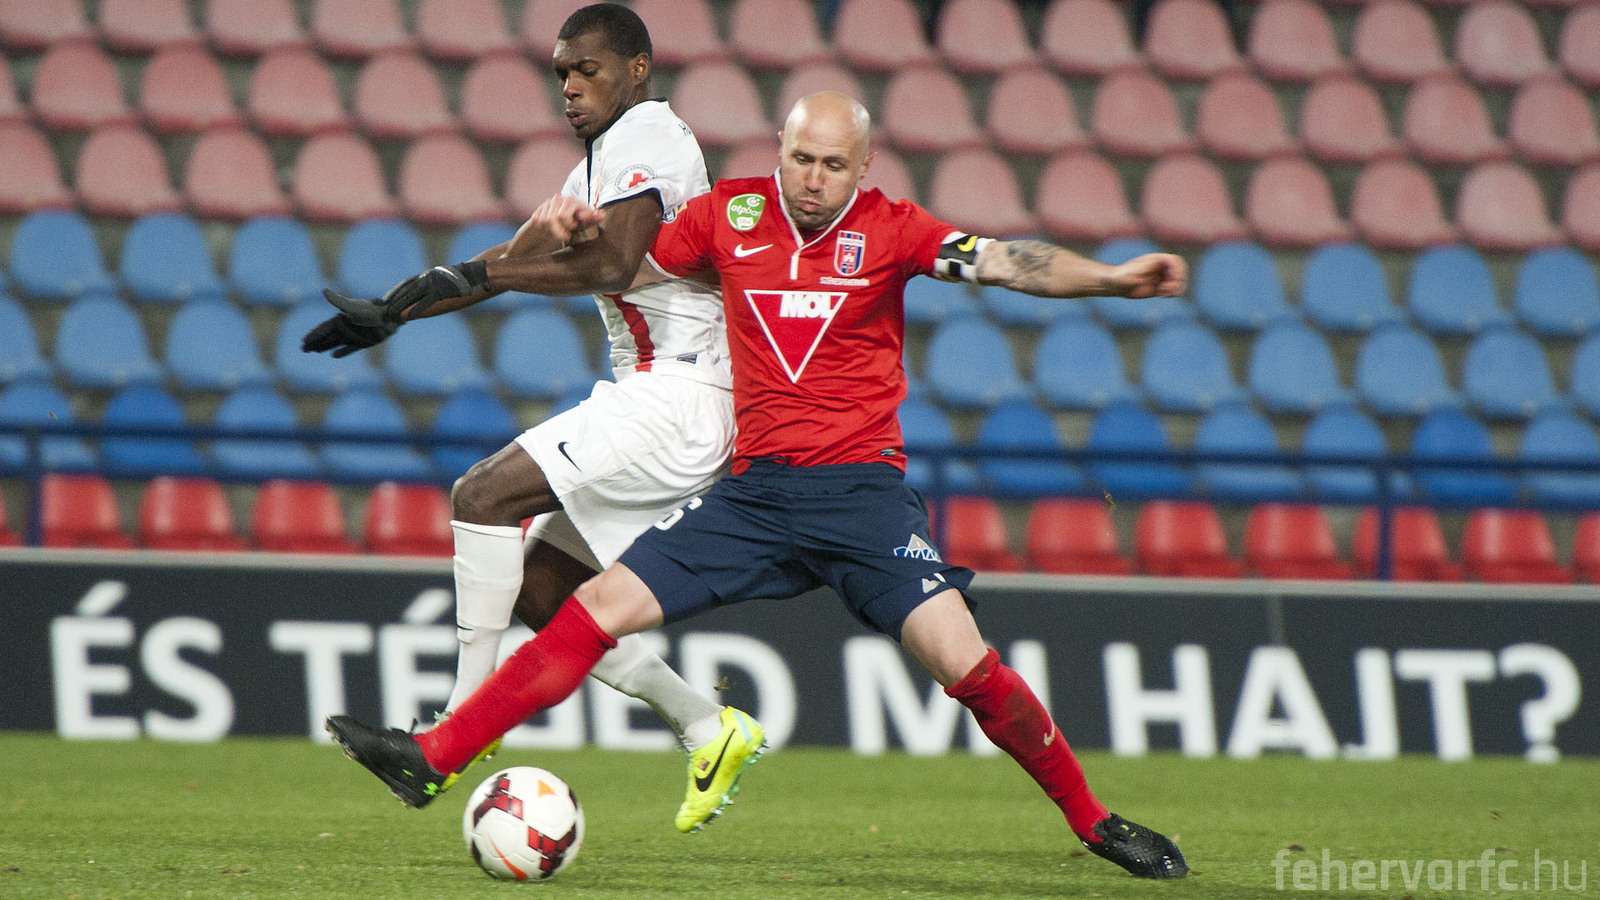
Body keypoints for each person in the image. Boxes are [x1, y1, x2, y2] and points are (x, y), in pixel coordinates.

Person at [327, 91, 1191, 879]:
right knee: (592, 610)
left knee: (965, 666)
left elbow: (1003, 261)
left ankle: (1094, 820)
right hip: (755, 496)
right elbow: (621, 269)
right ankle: (434, 759)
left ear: (865, 166)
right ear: (780, 147)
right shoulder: (727, 216)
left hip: (861, 499)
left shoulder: (895, 231)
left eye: (833, 165)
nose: (813, 180)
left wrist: (1112, 279)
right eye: (801, 158)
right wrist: (561, 236)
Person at [303, 3, 763, 834]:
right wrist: (397, 307)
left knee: (482, 496)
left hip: (681, 392)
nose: (571, 87)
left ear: (637, 70)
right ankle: (708, 725)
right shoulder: (607, 163)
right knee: (545, 588)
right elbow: (507, 263)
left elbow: (610, 261)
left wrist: (502, 272)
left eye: (588, 69)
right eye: (561, 74)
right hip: (662, 397)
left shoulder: (651, 135)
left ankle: (449, 734)